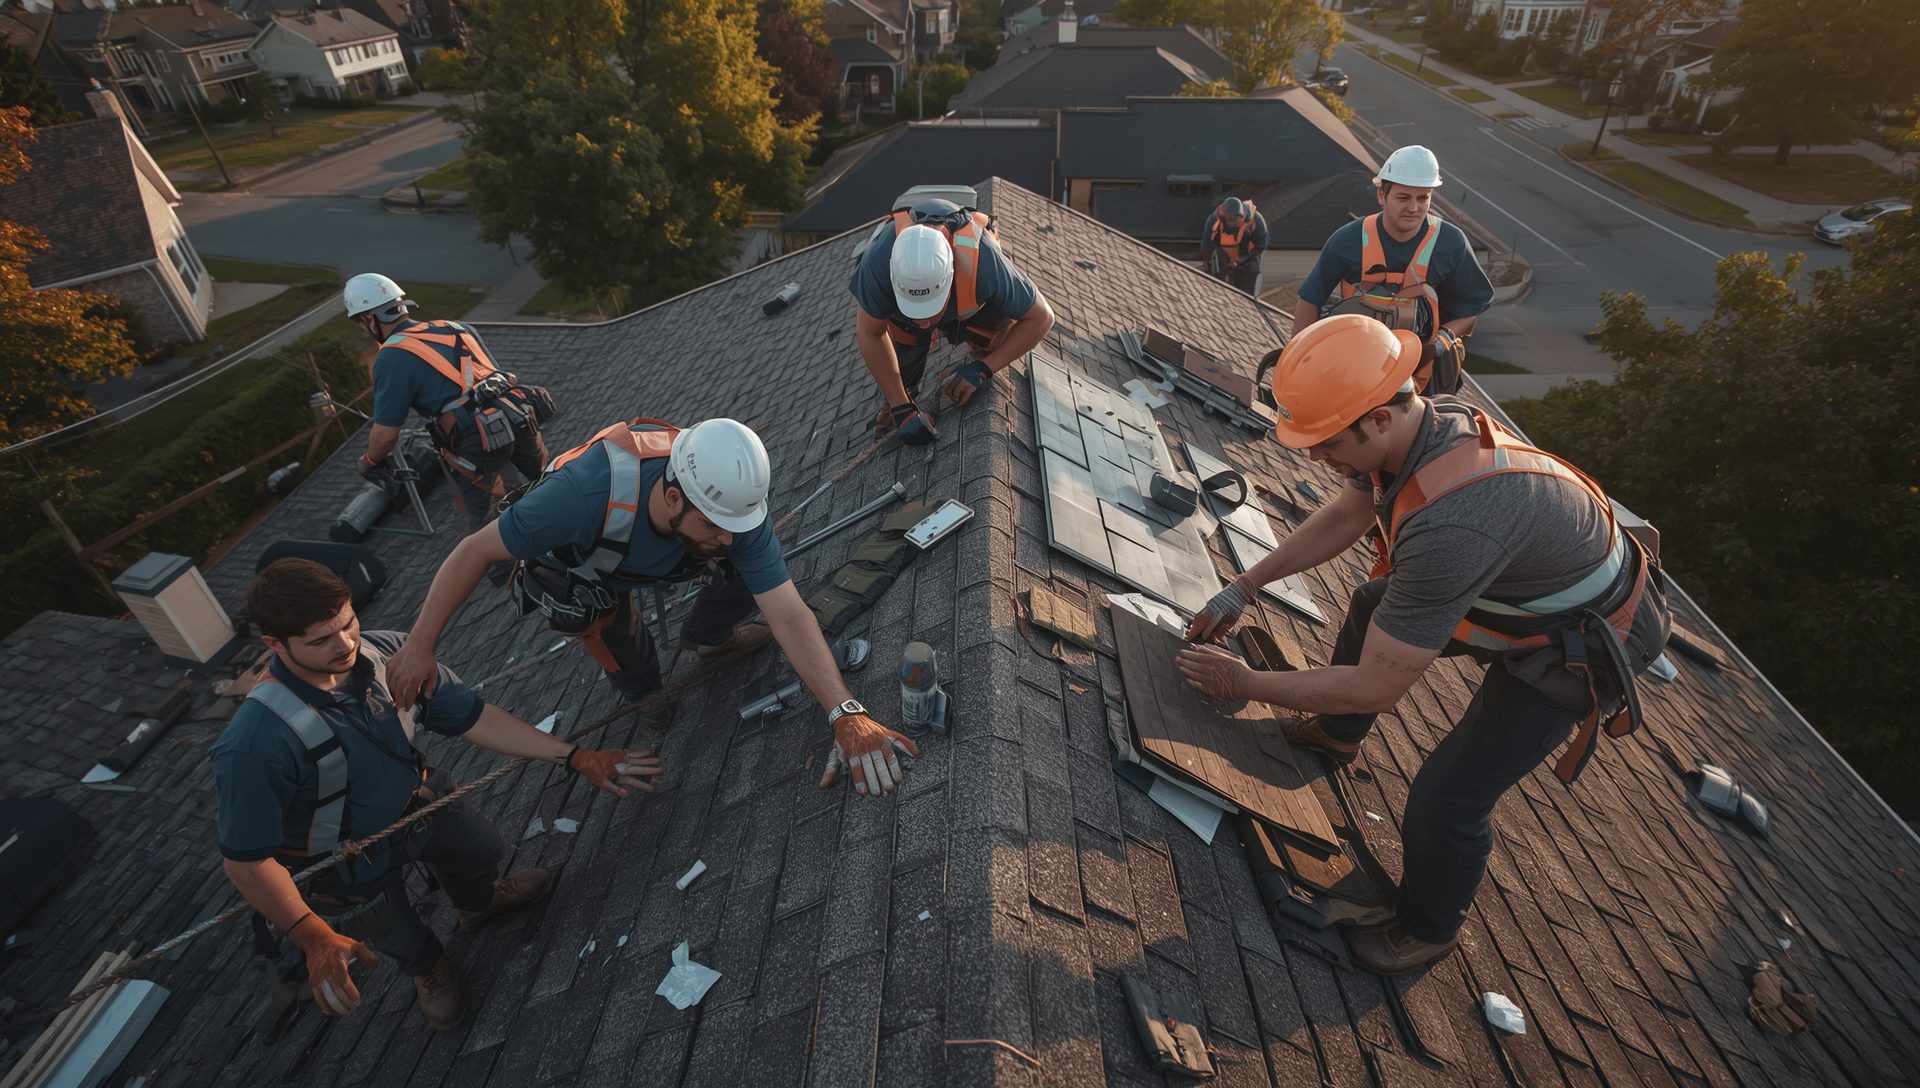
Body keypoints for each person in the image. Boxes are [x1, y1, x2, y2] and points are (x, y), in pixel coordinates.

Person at [1175, 316, 1669, 975]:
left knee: (1448, 796)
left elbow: (1380, 683)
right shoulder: (1417, 430)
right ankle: (1335, 733)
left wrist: (1246, 684)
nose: (1312, 458)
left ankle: (1430, 928)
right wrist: (1246, 585)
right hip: (1525, 582)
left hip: (1582, 642)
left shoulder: (1453, 522)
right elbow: (1353, 511)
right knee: (1375, 602)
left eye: (1323, 443)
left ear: (1379, 418)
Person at [212, 558, 661, 1030]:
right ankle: (429, 969)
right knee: (395, 932)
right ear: (274, 645)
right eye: (320, 640)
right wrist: (311, 936)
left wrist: (576, 757)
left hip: (419, 805)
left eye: (347, 624)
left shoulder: (388, 654)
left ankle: (479, 904)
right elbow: (245, 863)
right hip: (342, 866)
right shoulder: (253, 744)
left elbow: (474, 716)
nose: (345, 644)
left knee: (483, 853)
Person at [382, 417, 921, 798]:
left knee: (750, 568)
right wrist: (420, 646)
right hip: (587, 567)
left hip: (667, 550)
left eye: (733, 526)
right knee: (614, 637)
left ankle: (708, 639)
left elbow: (788, 613)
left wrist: (845, 711)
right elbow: (473, 550)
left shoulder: (725, 510)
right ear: (671, 497)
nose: (728, 537)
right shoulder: (577, 498)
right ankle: (641, 690)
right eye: (714, 525)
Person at [344, 273, 553, 549]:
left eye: (361, 323)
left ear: (370, 318)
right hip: (517, 416)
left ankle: (508, 579)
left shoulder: (391, 357)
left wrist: (369, 462)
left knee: (487, 528)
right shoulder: (456, 328)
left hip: (475, 443)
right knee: (549, 488)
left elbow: (385, 434)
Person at [1289, 146, 1493, 395]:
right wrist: (1297, 361)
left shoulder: (1450, 243)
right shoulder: (1348, 240)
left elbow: (1472, 306)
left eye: (1423, 198)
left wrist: (1443, 341)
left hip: (1421, 374)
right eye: (1403, 197)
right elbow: (1310, 300)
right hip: (1355, 369)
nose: (1414, 208)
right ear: (1381, 196)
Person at [851, 199, 1055, 446]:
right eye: (916, 311)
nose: (924, 323)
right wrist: (900, 407)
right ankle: (902, 392)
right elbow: (870, 334)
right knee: (897, 369)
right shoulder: (877, 264)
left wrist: (983, 369)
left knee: (999, 340)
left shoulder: (984, 264)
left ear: (951, 276)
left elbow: (1042, 317)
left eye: (929, 311)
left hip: (968, 303)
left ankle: (980, 344)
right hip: (906, 315)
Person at [1198, 195, 1269, 296]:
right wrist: (1206, 263)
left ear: (1242, 216)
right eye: (1230, 221)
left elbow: (1260, 248)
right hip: (1224, 253)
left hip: (1248, 257)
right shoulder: (1214, 219)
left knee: (1249, 278)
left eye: (1235, 221)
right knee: (1219, 279)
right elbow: (1207, 243)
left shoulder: (1256, 221)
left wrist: (1239, 262)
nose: (1232, 224)